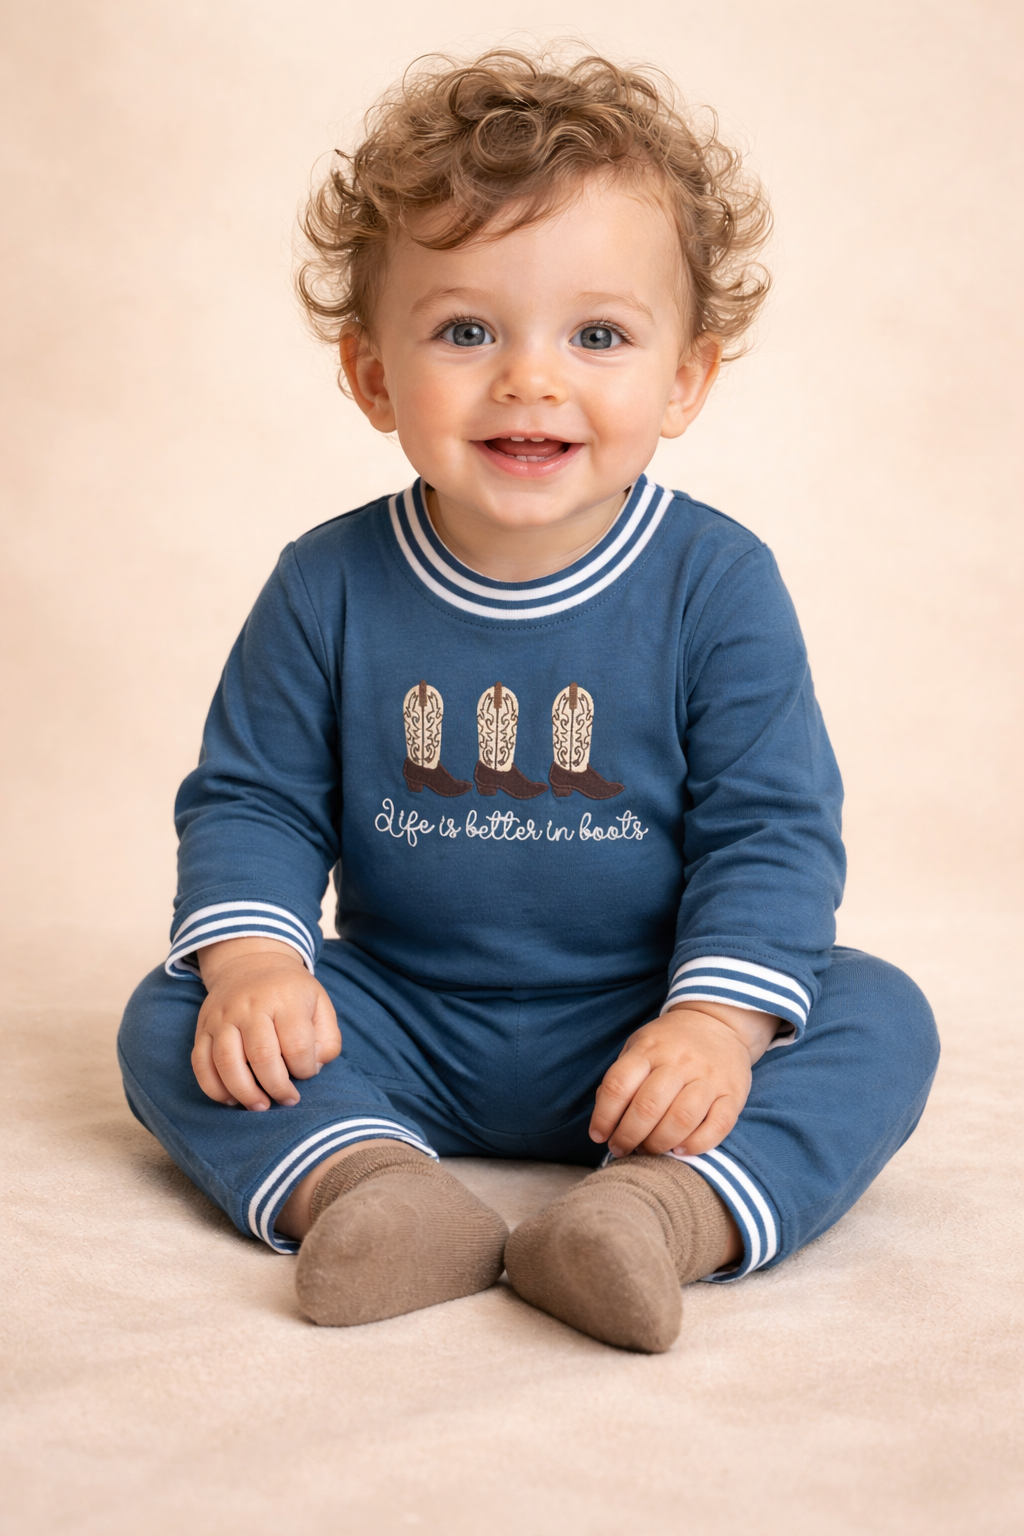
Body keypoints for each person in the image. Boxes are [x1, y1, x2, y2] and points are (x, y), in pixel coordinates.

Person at [117, 47, 939, 1353]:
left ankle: (659, 1218)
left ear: (687, 379)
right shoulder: (326, 583)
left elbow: (772, 830)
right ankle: (370, 1186)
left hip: (643, 1022)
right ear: (374, 372)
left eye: (598, 335)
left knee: (879, 1014)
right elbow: (253, 797)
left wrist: (716, 1028)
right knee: (175, 1012)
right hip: (397, 1012)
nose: (531, 378)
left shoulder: (715, 585)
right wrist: (262, 962)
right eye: (465, 330)